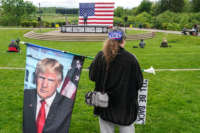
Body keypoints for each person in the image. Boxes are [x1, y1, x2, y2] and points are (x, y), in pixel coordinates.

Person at [89, 28, 143, 133]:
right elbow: (139, 83)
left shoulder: (101, 56)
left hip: (111, 106)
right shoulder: (131, 59)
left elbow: (92, 76)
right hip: (120, 107)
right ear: (123, 40)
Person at [23, 58, 73, 133]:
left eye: (50, 80)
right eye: (41, 77)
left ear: (59, 83)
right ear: (36, 78)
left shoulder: (67, 105)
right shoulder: (26, 95)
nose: (44, 85)